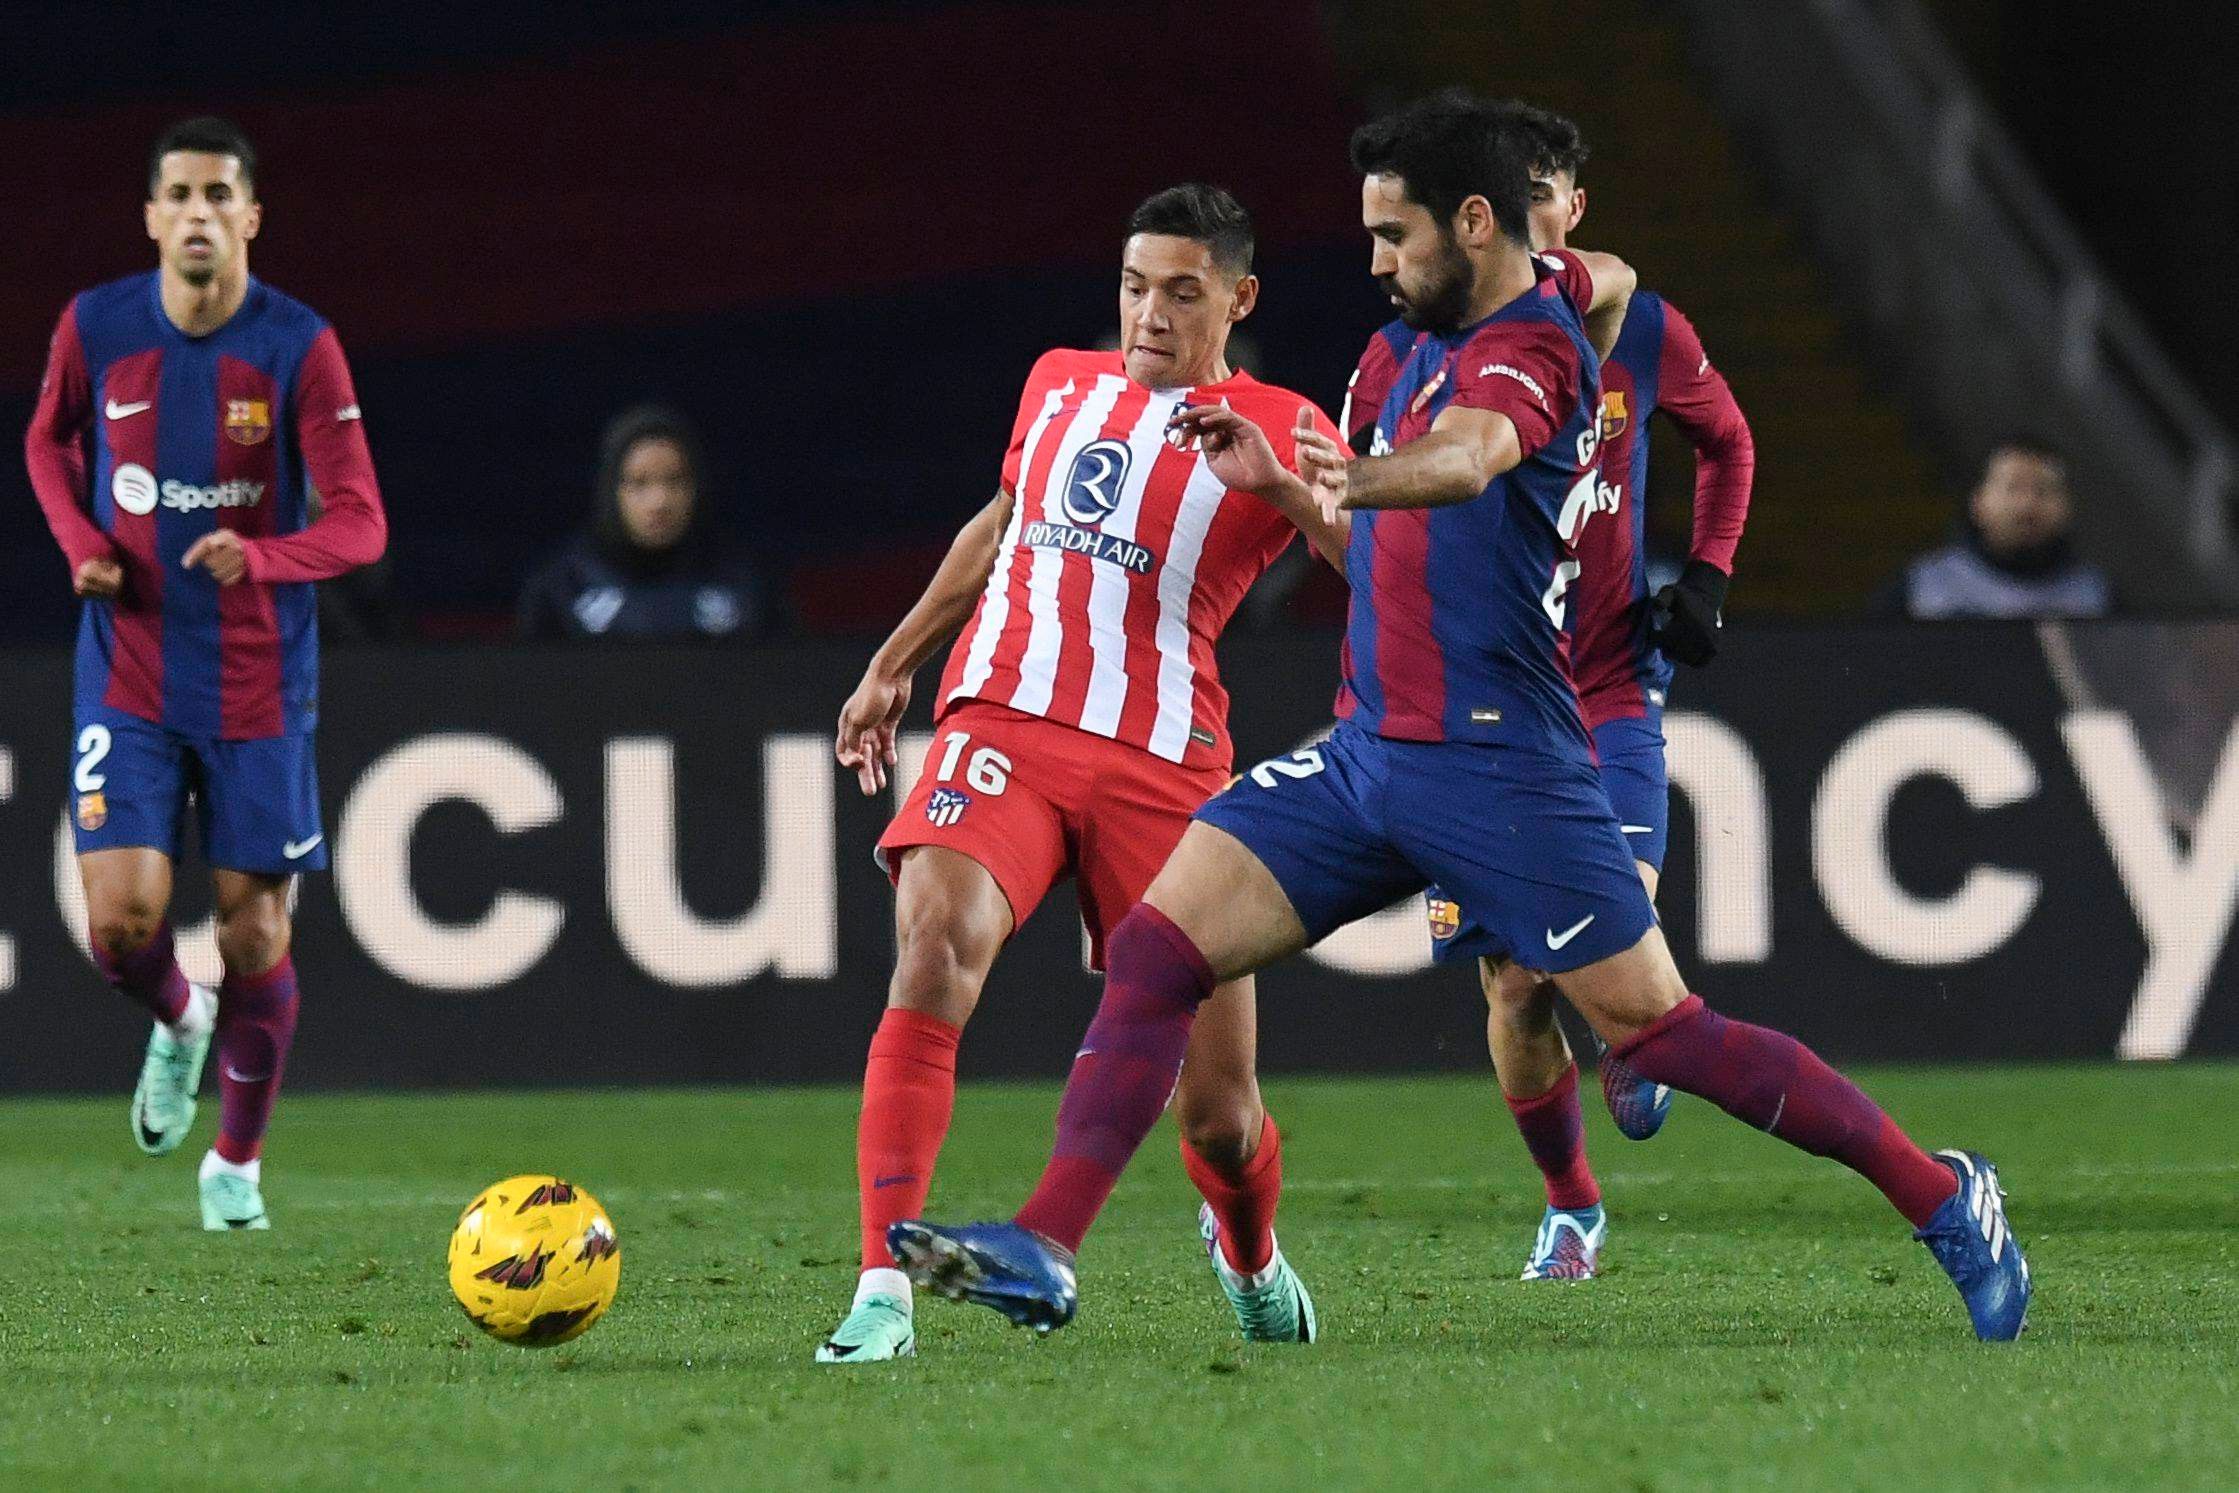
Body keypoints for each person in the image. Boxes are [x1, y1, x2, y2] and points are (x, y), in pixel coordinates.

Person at [890, 91, 2031, 1345]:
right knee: (1159, 950)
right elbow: (1535, 342)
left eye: (1395, 234)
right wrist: (1297, 480)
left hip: (1505, 767)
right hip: (1369, 752)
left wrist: (1341, 474)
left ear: (1471, 223)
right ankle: (1047, 1244)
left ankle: (1942, 1195)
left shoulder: (1535, 351)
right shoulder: (1392, 352)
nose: (1374, 260)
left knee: (1664, 1038)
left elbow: (1475, 455)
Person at [816, 183, 1350, 1363]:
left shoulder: (1279, 420)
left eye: (1180, 291)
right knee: (932, 945)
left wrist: (1277, 486)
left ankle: (1249, 1251)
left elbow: (1386, 564)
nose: (1147, 314)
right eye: (1132, 285)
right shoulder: (1057, 379)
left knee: (1218, 1117)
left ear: (1237, 298)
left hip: (1164, 760)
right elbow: (1001, 522)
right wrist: (893, 661)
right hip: (1002, 717)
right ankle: (879, 1289)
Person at [23, 117, 387, 1230]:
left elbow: (364, 523)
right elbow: (46, 442)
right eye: (177, 194)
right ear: (150, 216)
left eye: (218, 195)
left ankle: (235, 1163)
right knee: (123, 926)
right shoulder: (96, 326)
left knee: (255, 936)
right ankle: (180, 1023)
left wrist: (265, 556)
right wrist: (80, 544)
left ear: (250, 217)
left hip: (257, 684)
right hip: (128, 667)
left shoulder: (297, 346)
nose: (197, 213)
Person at [1424, 103, 1757, 1282]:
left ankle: (1631, 1037)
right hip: (1479, 713)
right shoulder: (1441, 346)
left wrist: (1705, 577)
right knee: (1512, 987)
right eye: (1506, 196)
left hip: (1610, 693)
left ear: (1568, 207)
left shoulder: (1637, 327)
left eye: (1545, 193)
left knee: (1596, 945)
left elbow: (1729, 440)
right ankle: (1572, 1203)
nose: (1529, 215)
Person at [516, 405, 769, 641]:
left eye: (675, 481)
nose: (659, 502)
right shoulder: (563, 584)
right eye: (639, 483)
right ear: (611, 490)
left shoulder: (742, 579)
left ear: (696, 487)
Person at [1875, 437, 2112, 619]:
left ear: (2067, 508)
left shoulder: (2097, 597)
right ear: (1979, 502)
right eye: (2013, 488)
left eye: (2043, 490)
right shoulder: (1921, 589)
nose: (2027, 505)